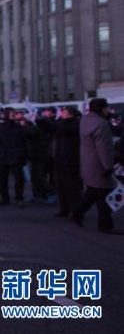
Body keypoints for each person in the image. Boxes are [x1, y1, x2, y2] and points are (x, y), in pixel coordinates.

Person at [71, 98, 118, 234]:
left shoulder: (85, 120)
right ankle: (104, 225)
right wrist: (108, 166)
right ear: (103, 108)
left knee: (92, 192)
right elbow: (103, 148)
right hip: (100, 165)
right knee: (104, 196)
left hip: (88, 163)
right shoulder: (102, 124)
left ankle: (77, 213)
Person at [51, 107, 81, 217]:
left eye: (64, 112)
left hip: (69, 160)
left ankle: (75, 210)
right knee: (60, 187)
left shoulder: (75, 124)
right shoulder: (62, 125)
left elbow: (63, 128)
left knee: (71, 188)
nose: (61, 113)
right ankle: (64, 209)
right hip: (59, 160)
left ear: (71, 114)